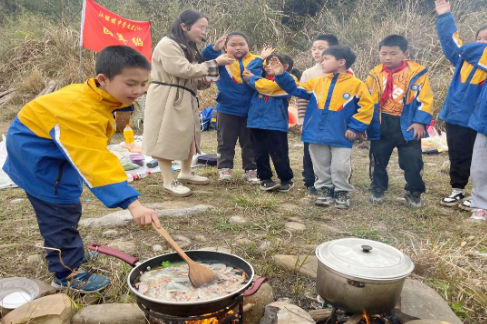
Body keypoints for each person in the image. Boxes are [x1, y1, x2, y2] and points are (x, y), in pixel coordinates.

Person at [3, 45, 161, 293]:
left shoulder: (96, 94)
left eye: (144, 83)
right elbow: (94, 161)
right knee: (60, 209)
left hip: (45, 143)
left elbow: (90, 147)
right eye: (131, 83)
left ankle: (72, 252)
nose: (139, 91)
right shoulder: (80, 111)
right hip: (36, 155)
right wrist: (133, 203)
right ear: (103, 79)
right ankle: (66, 273)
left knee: (69, 201)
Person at [142, 10, 235, 197]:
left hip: (184, 95)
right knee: (165, 136)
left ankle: (186, 172)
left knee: (189, 134)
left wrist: (203, 81)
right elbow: (182, 69)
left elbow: (192, 74)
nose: (203, 32)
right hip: (167, 96)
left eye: (205, 28)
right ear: (184, 26)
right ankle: (169, 180)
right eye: (201, 27)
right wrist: (215, 61)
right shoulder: (168, 44)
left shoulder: (188, 47)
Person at [271, 45, 374, 209]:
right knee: (320, 164)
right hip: (315, 133)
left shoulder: (356, 85)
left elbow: (366, 108)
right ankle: (325, 191)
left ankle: (342, 192)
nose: (322, 62)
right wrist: (281, 75)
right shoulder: (316, 83)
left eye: (326, 59)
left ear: (341, 62)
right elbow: (295, 89)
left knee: (341, 166)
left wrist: (355, 128)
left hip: (341, 135)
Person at [366, 35, 434, 208]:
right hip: (381, 123)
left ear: (405, 53)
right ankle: (378, 188)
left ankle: (414, 191)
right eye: (384, 53)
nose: (387, 57)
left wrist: (420, 122)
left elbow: (425, 99)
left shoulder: (416, 73)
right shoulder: (374, 74)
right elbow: (366, 99)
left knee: (412, 160)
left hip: (408, 124)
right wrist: (364, 123)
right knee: (378, 158)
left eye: (393, 53)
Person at [435, 0, 487, 211]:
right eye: (480, 38)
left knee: (479, 159)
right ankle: (457, 188)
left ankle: (479, 194)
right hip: (456, 114)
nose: (482, 43)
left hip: (478, 119)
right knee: (457, 153)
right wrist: (444, 16)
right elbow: (450, 42)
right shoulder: (463, 58)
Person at [297, 34, 355, 200]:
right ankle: (312, 184)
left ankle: (340, 188)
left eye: (321, 49)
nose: (317, 52)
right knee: (313, 156)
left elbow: (356, 103)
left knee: (339, 159)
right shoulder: (309, 73)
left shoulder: (351, 76)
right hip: (313, 124)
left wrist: (356, 126)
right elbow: (300, 96)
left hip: (338, 126)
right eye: (314, 48)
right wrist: (302, 121)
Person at [201, 31, 259, 183]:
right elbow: (205, 60)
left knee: (250, 141)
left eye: (242, 44)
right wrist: (214, 49)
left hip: (251, 109)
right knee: (225, 140)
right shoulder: (221, 61)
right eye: (233, 45)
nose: (238, 48)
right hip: (227, 108)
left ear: (249, 46)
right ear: (226, 47)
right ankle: (225, 168)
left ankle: (251, 170)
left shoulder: (257, 62)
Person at [243, 48, 298, 192]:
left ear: (284, 67)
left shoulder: (290, 81)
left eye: (272, 63)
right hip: (256, 122)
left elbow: (271, 89)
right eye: (266, 63)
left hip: (276, 123)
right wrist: (260, 58)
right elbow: (246, 72)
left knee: (279, 152)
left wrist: (253, 80)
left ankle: (286, 178)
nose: (267, 66)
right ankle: (265, 178)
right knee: (259, 152)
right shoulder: (261, 78)